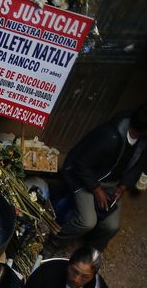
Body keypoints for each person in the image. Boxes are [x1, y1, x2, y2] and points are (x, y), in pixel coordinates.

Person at [56, 104, 147, 251]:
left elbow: (138, 166)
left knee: (112, 226)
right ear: (144, 129)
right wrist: (97, 189)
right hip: (83, 177)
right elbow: (81, 165)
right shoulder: (110, 137)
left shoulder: (143, 143)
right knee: (87, 222)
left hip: (111, 183)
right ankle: (54, 242)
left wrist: (123, 186)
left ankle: (91, 253)